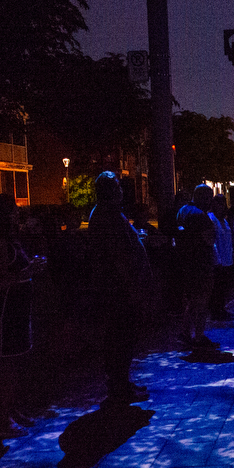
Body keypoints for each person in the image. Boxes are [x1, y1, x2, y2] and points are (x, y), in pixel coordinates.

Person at [0, 193, 47, 436]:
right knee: (3, 367)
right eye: (13, 210)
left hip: (16, 312)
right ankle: (1, 421)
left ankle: (12, 410)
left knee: (14, 364)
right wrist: (29, 271)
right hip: (2, 314)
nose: (17, 213)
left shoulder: (10, 239)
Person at [87, 171, 152, 406]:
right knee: (120, 337)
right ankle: (119, 387)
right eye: (117, 186)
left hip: (118, 287)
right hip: (118, 289)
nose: (121, 190)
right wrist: (132, 285)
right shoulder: (108, 215)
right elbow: (117, 256)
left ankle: (122, 382)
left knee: (123, 337)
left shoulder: (108, 213)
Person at [175, 184, 217, 350]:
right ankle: (198, 337)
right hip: (201, 263)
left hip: (185, 262)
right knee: (202, 302)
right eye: (209, 198)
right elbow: (209, 240)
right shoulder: (201, 215)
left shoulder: (183, 211)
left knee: (191, 301)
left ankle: (185, 333)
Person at [209, 195, 234, 320]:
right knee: (217, 287)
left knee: (223, 286)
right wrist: (217, 258)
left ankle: (221, 309)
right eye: (219, 204)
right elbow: (212, 241)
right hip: (218, 259)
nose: (221, 206)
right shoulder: (211, 219)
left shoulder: (223, 220)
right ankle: (216, 312)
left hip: (227, 258)